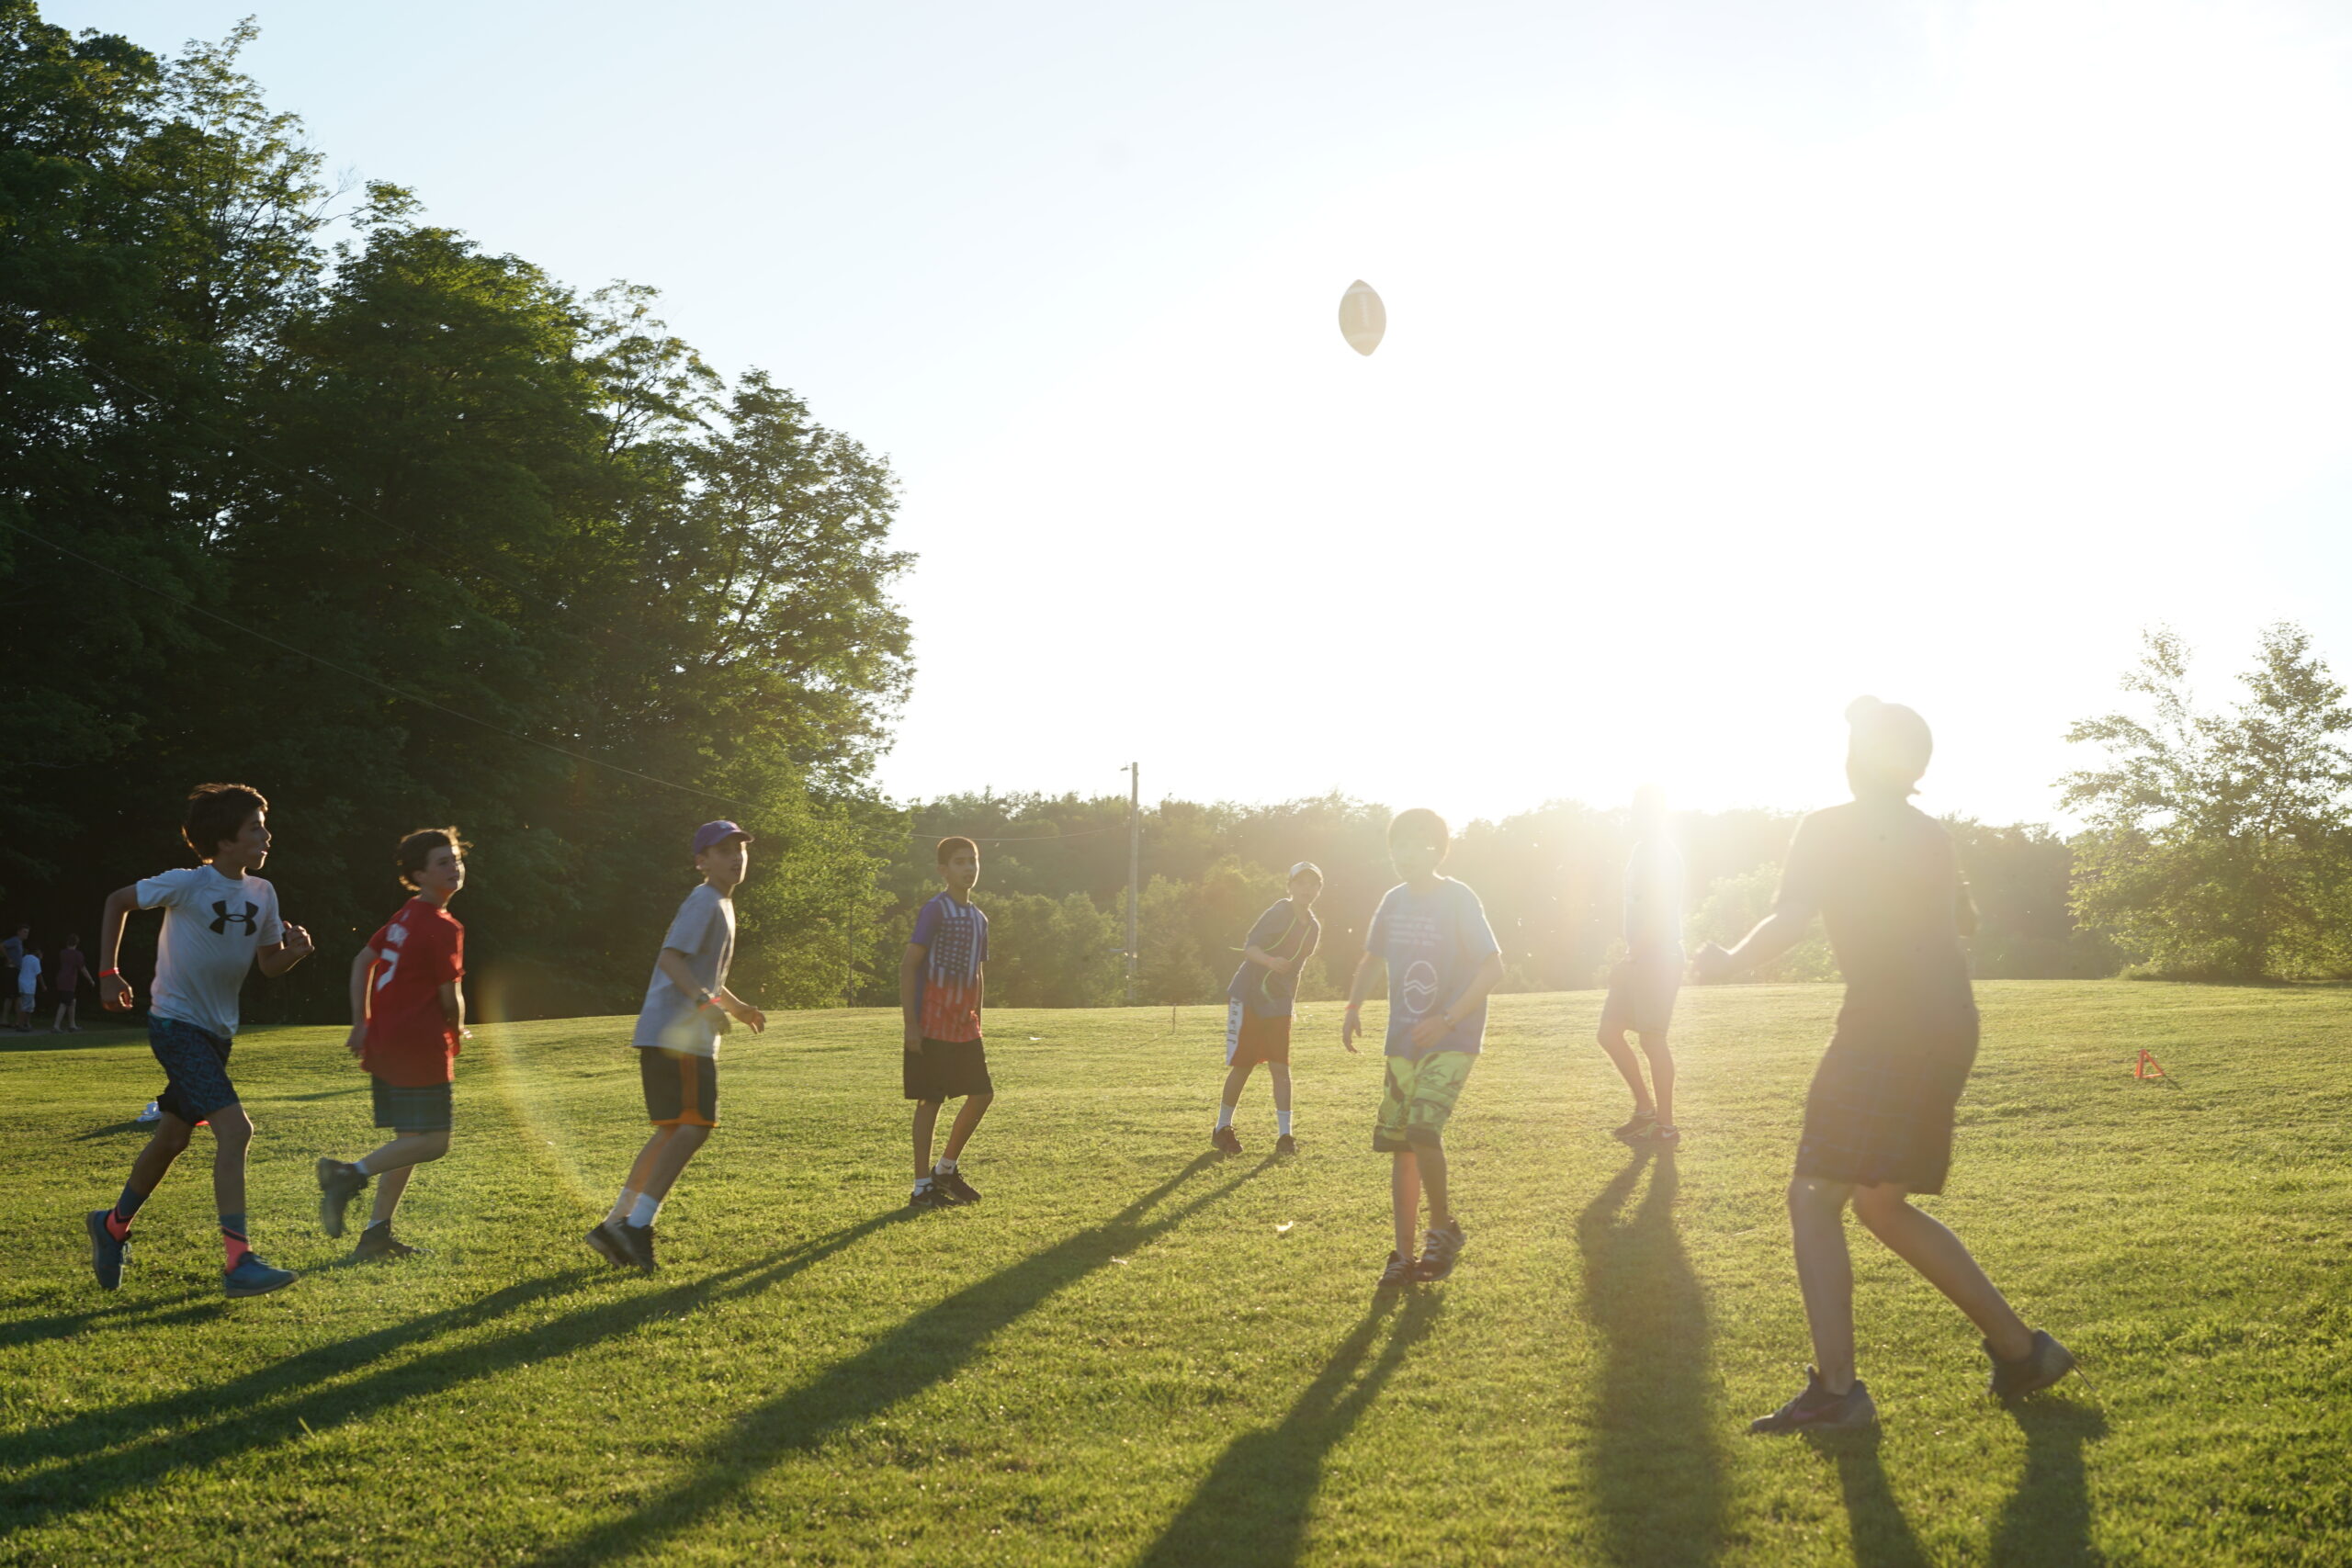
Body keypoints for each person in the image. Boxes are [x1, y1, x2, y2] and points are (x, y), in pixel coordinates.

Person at [1691, 698, 2075, 1434]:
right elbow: (1963, 922)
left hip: (1885, 1027)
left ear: (1859, 758)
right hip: (1949, 1022)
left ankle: (1837, 1393)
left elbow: (1793, 916)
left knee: (1814, 1197)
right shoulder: (1931, 834)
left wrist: (1730, 961)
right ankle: (2023, 1351)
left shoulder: (1829, 826)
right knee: (1878, 1200)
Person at [84, 783, 315, 1298]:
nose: (266, 834)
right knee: (236, 1132)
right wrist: (107, 972)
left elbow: (270, 965)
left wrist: (295, 952)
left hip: (217, 1035)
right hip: (175, 1024)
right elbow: (117, 900)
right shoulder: (187, 884)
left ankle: (112, 1226)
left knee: (172, 1138)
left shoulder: (263, 893)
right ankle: (239, 1262)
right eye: (255, 826)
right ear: (225, 840)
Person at [587, 820, 765, 1272]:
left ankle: (615, 1225)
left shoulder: (721, 904)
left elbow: (707, 975)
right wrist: (706, 1004)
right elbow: (670, 958)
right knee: (695, 1125)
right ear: (701, 860)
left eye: (739, 849)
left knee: (672, 1129)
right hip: (679, 1033)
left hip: (673, 1032)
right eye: (723, 850)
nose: (735, 857)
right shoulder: (705, 901)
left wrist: (738, 1007)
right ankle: (636, 1227)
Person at [1342, 809, 1506, 1289]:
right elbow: (1374, 957)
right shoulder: (1392, 902)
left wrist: (1448, 1018)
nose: (1403, 855)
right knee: (1402, 1146)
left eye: (1415, 845)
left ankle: (1442, 1230)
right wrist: (1353, 1005)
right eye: (1397, 846)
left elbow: (1494, 967)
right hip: (1403, 1039)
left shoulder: (1458, 898)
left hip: (1453, 1035)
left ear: (1437, 849)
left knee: (1421, 1128)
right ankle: (1402, 1256)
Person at [316, 829, 469, 1259]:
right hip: (418, 1044)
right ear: (418, 874)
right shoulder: (443, 925)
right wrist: (456, 1032)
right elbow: (449, 996)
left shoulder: (406, 916)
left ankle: (376, 1235)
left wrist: (360, 1023)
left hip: (387, 1042)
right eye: (442, 862)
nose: (454, 867)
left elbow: (363, 959)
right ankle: (347, 1174)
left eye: (455, 858)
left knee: (409, 1140)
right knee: (435, 1142)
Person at [900, 836, 992, 1210]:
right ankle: (922, 1186)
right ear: (944, 870)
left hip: (963, 1024)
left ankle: (946, 1169)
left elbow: (978, 972)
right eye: (959, 862)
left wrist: (978, 1017)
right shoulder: (934, 911)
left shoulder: (979, 918)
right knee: (931, 1100)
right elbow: (909, 965)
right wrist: (910, 1025)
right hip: (931, 1021)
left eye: (972, 861)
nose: (968, 867)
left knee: (982, 1093)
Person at [1213, 861, 1323, 1156]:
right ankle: (1222, 1128)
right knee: (1244, 1065)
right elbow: (1250, 948)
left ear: (1318, 890)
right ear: (1290, 886)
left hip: (1278, 1003)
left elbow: (1296, 970)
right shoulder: (1278, 912)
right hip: (1249, 995)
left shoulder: (1312, 927)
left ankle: (1285, 1137)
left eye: (1312, 884)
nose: (1306, 889)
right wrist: (1271, 962)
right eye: (1300, 883)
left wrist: (1290, 1004)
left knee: (1280, 1068)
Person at [1597, 786, 1687, 1145]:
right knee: (1609, 1032)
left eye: (1646, 810)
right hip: (1639, 954)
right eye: (1636, 809)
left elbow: (1660, 914)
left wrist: (1631, 958)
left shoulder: (1663, 854)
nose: (1638, 816)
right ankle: (1644, 1110)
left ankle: (1666, 1127)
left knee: (1652, 1039)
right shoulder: (1640, 851)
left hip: (1658, 956)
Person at [50, 934, 90, 1032]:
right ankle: (56, 1026)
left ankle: (72, 1025)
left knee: (72, 1001)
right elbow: (82, 968)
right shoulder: (77, 954)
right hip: (69, 980)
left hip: (61, 978)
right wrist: (90, 979)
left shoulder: (62, 953)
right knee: (64, 1002)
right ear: (76, 943)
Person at [2, 923, 24, 1029]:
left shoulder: (19, 943)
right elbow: (2, 945)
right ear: (18, 931)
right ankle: (10, 1020)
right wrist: (8, 958)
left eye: (27, 932)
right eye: (24, 931)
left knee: (14, 996)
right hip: (12, 971)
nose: (26, 934)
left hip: (16, 971)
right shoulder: (15, 940)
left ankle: (13, 1020)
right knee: (13, 996)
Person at [16, 942, 40, 1032]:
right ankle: (21, 1025)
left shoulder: (24, 958)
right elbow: (38, 974)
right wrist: (43, 985)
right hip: (29, 986)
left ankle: (26, 1023)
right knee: (26, 1006)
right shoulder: (35, 960)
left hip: (22, 983)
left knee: (30, 1005)